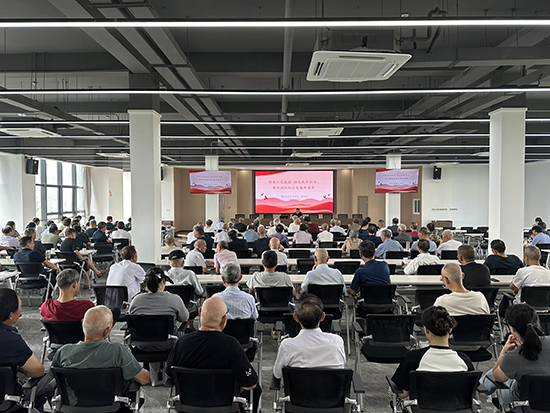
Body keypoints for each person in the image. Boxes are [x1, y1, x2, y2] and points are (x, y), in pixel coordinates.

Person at [166, 297, 260, 413]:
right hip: (224, 408)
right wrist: (236, 388)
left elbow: (169, 374)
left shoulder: (182, 343)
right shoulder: (231, 345)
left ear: (200, 312)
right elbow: (251, 382)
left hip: (188, 408)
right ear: (224, 320)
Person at [51, 306, 150, 394]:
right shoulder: (118, 351)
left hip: (74, 405)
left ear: (82, 323)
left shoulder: (63, 352)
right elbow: (144, 379)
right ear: (107, 331)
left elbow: (49, 378)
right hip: (112, 405)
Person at [390, 306, 474, 401]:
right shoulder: (464, 360)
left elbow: (403, 394)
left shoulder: (413, 357)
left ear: (426, 330)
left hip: (422, 407)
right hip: (456, 407)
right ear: (450, 329)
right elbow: (472, 391)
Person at [481, 304, 550, 409]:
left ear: (512, 329)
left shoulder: (513, 357)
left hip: (523, 399)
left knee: (493, 374)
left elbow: (497, 377)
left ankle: (476, 393)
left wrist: (504, 351)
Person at [0, 289, 53, 410]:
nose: (21, 312)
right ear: (11, 315)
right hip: (8, 399)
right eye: (20, 307)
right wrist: (18, 367)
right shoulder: (11, 340)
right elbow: (38, 371)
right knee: (51, 377)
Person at [273, 294, 345, 379]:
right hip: (331, 387)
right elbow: (341, 368)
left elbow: (277, 374)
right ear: (323, 317)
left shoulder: (287, 346)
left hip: (299, 388)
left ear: (295, 317)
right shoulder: (337, 342)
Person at [129, 267, 188, 349]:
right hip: (169, 345)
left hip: (142, 346)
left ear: (146, 284)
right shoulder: (174, 299)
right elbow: (184, 318)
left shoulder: (136, 300)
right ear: (163, 281)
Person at [499, 246, 550, 317]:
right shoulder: (548, 272)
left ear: (526, 258)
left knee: (507, 297)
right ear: (540, 257)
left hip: (523, 308)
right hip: (545, 308)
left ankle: (502, 320)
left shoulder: (523, 271)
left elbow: (512, 287)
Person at [166, 249, 204, 331]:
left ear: (169, 263)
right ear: (183, 262)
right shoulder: (190, 274)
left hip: (169, 306)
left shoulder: (165, 275)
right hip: (188, 307)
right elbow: (200, 293)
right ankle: (190, 325)